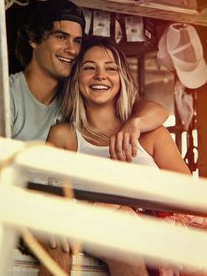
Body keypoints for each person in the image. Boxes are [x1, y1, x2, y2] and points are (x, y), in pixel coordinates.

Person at [9, 0, 169, 275]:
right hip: (14, 204)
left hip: (87, 214)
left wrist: (134, 124)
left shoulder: (73, 100)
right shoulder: (4, 95)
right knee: (62, 245)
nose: (71, 49)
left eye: (77, 41)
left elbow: (154, 109)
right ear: (34, 39)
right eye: (61, 37)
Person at [47, 37, 203, 276]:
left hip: (156, 229)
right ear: (76, 78)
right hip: (101, 228)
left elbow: (189, 198)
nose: (100, 75)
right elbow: (49, 195)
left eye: (111, 69)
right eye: (89, 68)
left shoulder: (151, 133)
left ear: (122, 79)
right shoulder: (64, 136)